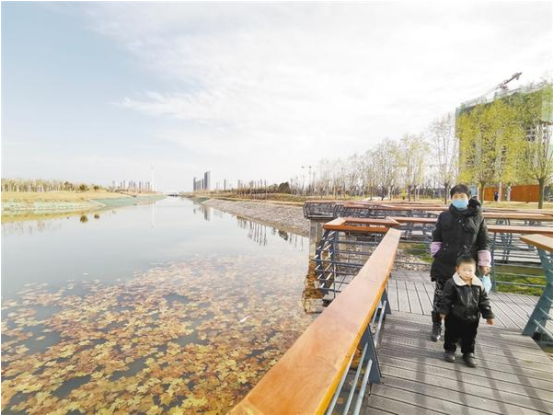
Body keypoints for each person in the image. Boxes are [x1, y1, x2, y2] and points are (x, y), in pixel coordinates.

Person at [429, 184, 491, 342]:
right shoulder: (444, 216)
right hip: (445, 262)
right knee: (440, 296)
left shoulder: (478, 217)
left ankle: (459, 331)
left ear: (469, 198)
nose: (458, 199)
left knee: (465, 300)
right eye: (455, 196)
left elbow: (484, 241)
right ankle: (437, 324)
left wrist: (484, 262)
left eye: (462, 196)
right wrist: (436, 252)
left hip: (467, 265)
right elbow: (437, 236)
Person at [439, 256, 494, 367]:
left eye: (470, 270)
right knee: (451, 335)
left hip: (472, 318)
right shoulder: (452, 283)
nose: (467, 273)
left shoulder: (479, 285)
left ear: (475, 270)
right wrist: (443, 312)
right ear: (457, 269)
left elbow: (484, 301)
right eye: (464, 270)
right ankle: (450, 350)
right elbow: (446, 299)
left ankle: (468, 353)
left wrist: (488, 315)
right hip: (454, 316)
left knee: (470, 336)